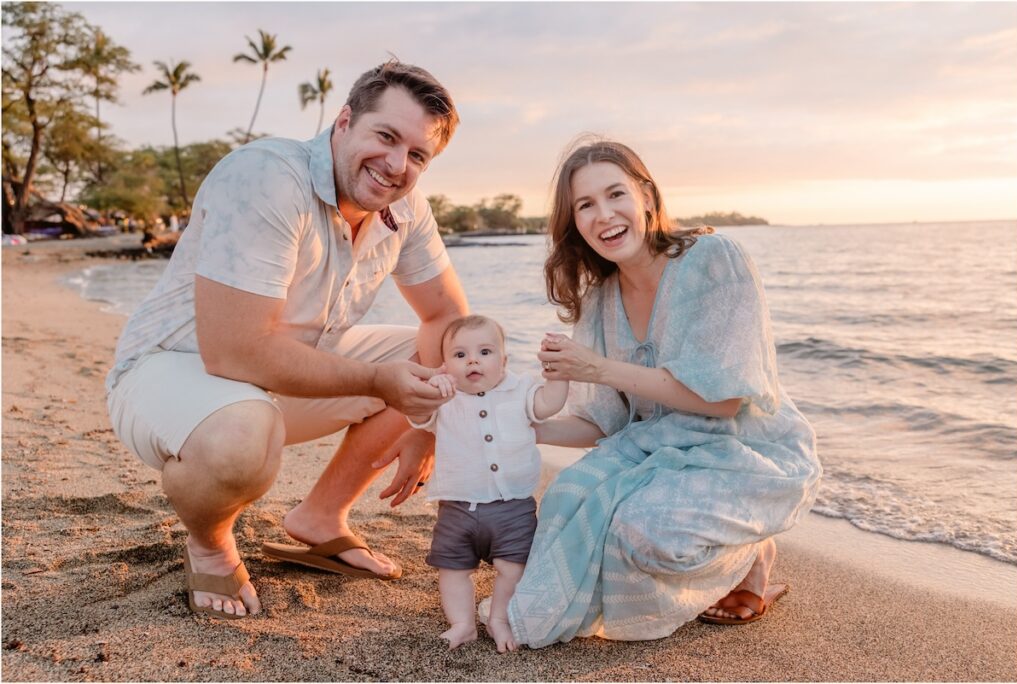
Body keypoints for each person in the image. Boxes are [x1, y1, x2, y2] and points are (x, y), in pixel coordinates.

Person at [105, 60, 470, 620]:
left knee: (450, 358)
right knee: (240, 436)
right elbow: (234, 350)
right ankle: (210, 543)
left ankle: (321, 517)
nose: (397, 165)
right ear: (344, 120)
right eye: (386, 136)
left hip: (280, 378)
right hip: (173, 370)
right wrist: (379, 382)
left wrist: (427, 420)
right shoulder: (267, 176)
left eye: (418, 155)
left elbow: (447, 313)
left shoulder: (405, 207)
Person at [502, 139, 821, 647]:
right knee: (565, 497)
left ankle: (751, 553)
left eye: (615, 194)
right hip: (657, 454)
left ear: (647, 196)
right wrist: (514, 425)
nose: (604, 215)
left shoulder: (714, 260)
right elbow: (604, 425)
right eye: (585, 205)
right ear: (574, 222)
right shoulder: (600, 299)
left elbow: (722, 400)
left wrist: (599, 368)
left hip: (742, 451)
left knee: (645, 533)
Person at [408, 315, 568, 652]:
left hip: (513, 508)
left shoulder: (520, 389)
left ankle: (499, 617)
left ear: (504, 361)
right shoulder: (444, 397)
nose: (473, 361)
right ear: (445, 365)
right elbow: (418, 416)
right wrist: (430, 388)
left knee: (514, 568)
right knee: (452, 569)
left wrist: (557, 375)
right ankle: (463, 623)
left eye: (484, 352)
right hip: (457, 507)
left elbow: (548, 405)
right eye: (460, 355)